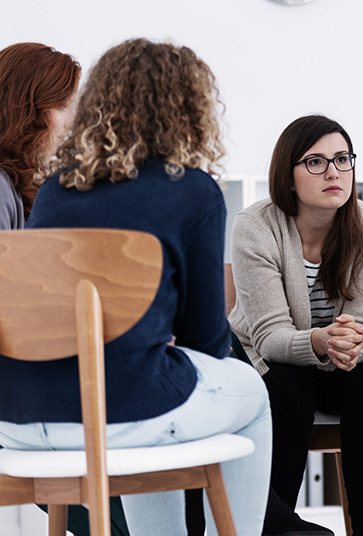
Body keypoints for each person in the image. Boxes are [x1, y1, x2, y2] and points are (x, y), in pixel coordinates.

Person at [0, 38, 271, 536]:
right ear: (190, 109)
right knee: (250, 389)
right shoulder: (195, 191)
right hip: (116, 415)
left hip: (18, 417)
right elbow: (206, 343)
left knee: (155, 383)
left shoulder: (56, 189)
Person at [229, 114, 363, 536]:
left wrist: (354, 346)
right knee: (290, 385)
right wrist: (321, 340)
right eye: (316, 162)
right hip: (267, 363)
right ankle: (277, 527)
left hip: (337, 359)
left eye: (342, 159)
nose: (334, 171)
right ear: (288, 176)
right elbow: (268, 338)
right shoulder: (256, 226)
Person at [0, 42, 80, 229]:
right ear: (25, 111)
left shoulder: (29, 185)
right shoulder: (2, 185)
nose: (72, 122)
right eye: (62, 107)